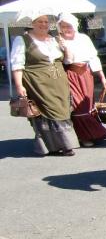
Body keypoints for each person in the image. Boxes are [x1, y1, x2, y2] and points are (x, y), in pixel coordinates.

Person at [10, 14, 79, 156]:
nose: (44, 24)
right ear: (33, 23)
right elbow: (17, 64)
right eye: (40, 21)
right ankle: (60, 146)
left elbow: (67, 61)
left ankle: (62, 143)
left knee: (63, 110)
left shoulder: (54, 39)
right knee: (46, 112)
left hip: (59, 82)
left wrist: (65, 47)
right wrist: (19, 85)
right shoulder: (23, 39)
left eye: (46, 22)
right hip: (37, 82)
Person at [57, 12, 106, 147]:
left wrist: (102, 77)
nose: (65, 29)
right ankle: (84, 136)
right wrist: (65, 48)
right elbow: (66, 61)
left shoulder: (84, 38)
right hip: (70, 75)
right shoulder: (57, 41)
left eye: (68, 26)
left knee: (88, 104)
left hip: (86, 74)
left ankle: (91, 133)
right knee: (78, 106)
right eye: (62, 26)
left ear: (74, 26)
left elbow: (93, 57)